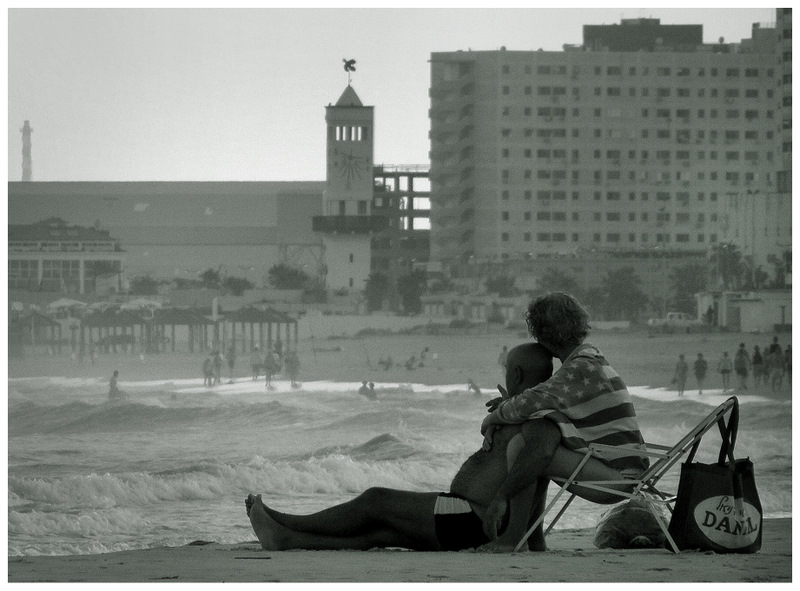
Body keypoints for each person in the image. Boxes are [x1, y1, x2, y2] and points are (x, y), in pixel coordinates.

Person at [245, 342, 561, 552]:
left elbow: (535, 466)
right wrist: (534, 536)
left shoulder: (538, 421)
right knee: (380, 535)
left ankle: (288, 521)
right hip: (467, 516)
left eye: (507, 370)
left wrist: (518, 535)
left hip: (474, 519)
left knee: (376, 501)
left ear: (516, 374)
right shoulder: (526, 413)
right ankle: (286, 538)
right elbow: (537, 474)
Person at [479, 293, 648, 546]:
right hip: (621, 471)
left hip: (617, 479)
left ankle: (513, 538)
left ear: (542, 333)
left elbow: (531, 401)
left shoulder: (580, 367)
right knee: (539, 442)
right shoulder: (590, 359)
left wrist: (491, 420)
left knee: (523, 447)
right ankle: (534, 538)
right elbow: (544, 402)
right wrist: (509, 406)